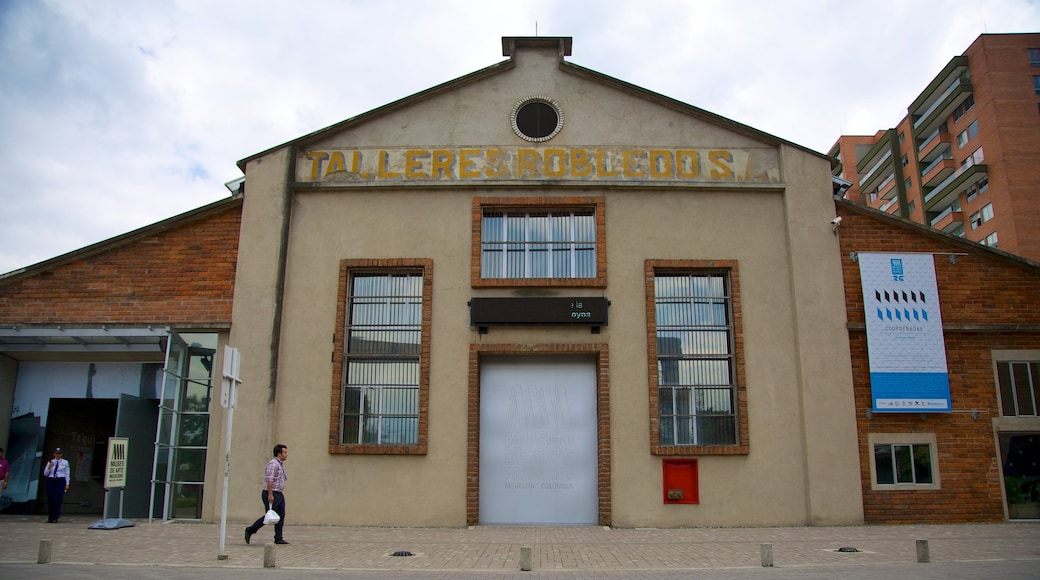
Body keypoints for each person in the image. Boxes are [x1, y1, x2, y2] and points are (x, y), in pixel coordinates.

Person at [244, 444, 289, 545]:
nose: (286, 455)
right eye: (285, 452)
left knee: (280, 515)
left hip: (279, 493)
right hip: (272, 492)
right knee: (269, 516)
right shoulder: (273, 464)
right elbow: (270, 480)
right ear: (279, 453)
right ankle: (250, 530)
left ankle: (278, 537)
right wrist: (270, 494)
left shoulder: (280, 464)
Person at [43, 447, 70, 523]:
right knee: (50, 499)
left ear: (61, 454)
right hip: (51, 479)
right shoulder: (51, 462)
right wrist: (49, 467)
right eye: (56, 454)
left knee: (57, 499)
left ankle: (55, 517)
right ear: (54, 454)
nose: (58, 455)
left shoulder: (65, 462)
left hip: (60, 480)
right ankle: (50, 517)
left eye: (59, 454)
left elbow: (67, 473)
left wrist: (67, 483)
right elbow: (45, 474)